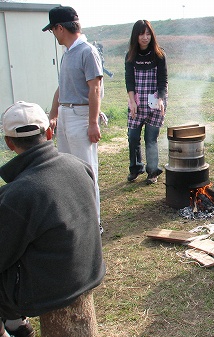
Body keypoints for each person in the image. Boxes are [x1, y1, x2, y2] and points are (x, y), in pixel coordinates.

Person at [0, 102, 105, 337]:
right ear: (49, 132)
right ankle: (17, 325)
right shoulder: (80, 166)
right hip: (90, 271)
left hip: (54, 290)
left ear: (9, 143)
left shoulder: (18, 194)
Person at [42, 6, 104, 229]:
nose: (53, 35)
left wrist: (92, 122)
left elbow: (94, 88)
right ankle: (75, 217)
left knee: (86, 170)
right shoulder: (68, 53)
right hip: (67, 114)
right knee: (66, 169)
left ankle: (93, 223)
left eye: (52, 30)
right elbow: (62, 86)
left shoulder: (87, 51)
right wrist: (53, 114)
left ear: (60, 28)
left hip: (81, 115)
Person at [125, 20, 167, 184]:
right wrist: (132, 100)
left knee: (151, 138)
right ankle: (136, 168)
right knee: (133, 136)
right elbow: (129, 80)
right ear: (136, 36)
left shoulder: (159, 55)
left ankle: (152, 171)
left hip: (156, 101)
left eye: (148, 33)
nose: (145, 37)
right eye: (142, 34)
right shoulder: (130, 56)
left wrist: (161, 98)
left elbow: (163, 79)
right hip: (136, 101)